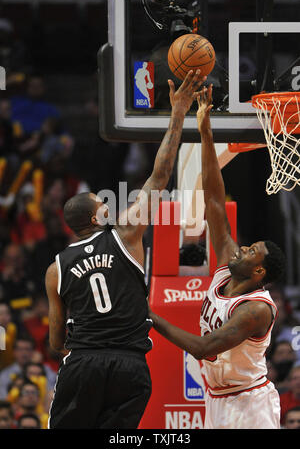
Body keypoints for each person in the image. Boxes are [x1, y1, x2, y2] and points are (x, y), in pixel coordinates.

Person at [45, 70, 206, 429]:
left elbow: (57, 341)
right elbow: (160, 174)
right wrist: (178, 111)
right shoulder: (126, 233)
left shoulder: (56, 268)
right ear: (98, 215)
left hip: (84, 362)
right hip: (130, 366)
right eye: (102, 202)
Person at [148, 85, 286, 429]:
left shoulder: (255, 309)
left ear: (258, 271)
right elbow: (213, 199)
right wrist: (205, 128)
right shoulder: (227, 268)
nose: (242, 248)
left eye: (251, 251)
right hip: (217, 396)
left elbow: (204, 347)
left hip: (250, 403)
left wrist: (148, 314)